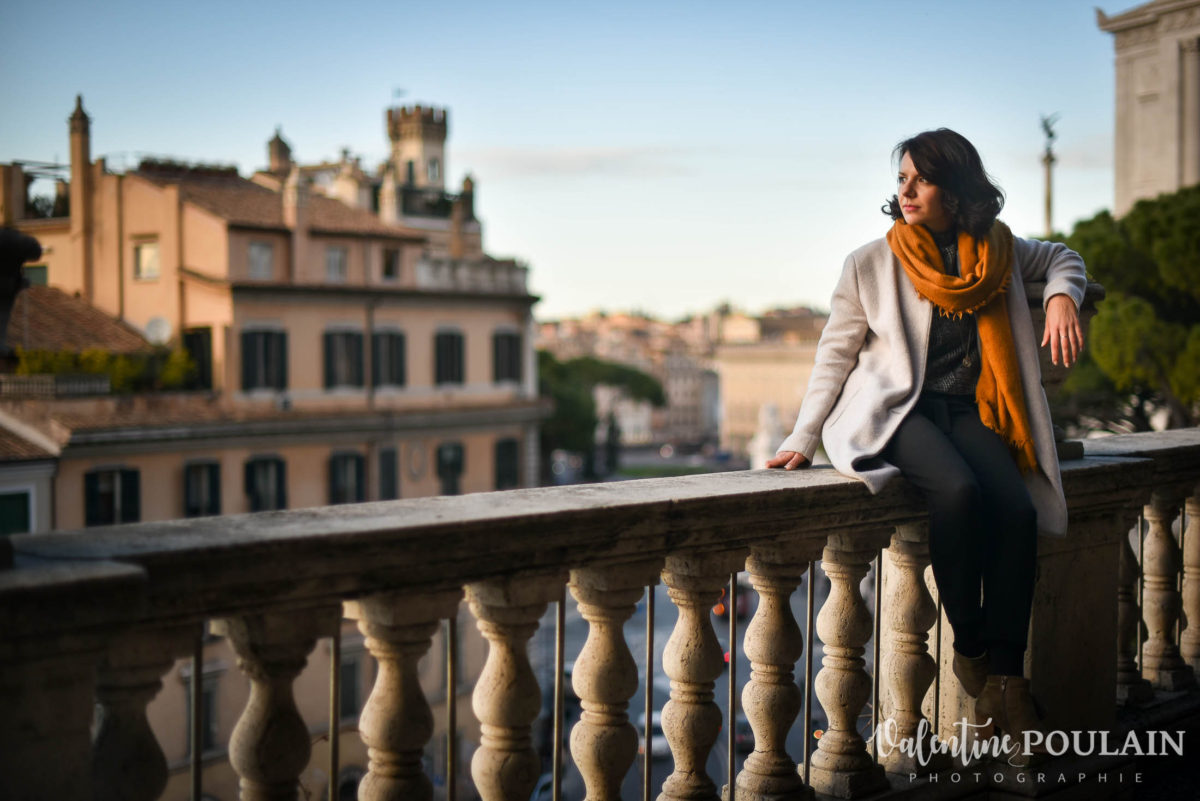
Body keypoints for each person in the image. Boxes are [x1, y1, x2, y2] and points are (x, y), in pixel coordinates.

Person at [767, 129, 1086, 746]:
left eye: (922, 179)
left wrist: (1061, 300)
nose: (905, 191)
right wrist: (804, 437)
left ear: (957, 189)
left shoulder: (996, 248)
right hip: (897, 412)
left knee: (1018, 510)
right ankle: (969, 642)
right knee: (960, 493)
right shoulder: (871, 261)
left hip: (968, 410)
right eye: (901, 179)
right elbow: (834, 356)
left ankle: (1007, 681)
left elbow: (1062, 257)